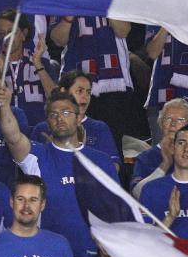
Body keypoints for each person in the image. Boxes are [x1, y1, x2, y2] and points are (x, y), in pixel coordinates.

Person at [0, 86, 118, 257]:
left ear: (78, 119)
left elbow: (114, 209)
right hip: (48, 254)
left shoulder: (102, 161)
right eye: (53, 115)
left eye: (66, 112)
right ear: (47, 122)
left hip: (93, 254)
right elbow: (13, 136)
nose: (59, 118)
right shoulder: (37, 156)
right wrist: (4, 106)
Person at [49, 14, 136, 155]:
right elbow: (58, 40)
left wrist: (102, 1)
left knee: (111, 145)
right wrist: (70, 14)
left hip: (113, 83)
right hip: (75, 83)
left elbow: (123, 31)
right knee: (71, 139)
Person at [0, 11, 57, 127]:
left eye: (11, 32)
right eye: (1, 34)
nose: (6, 38)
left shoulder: (41, 63)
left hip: (38, 132)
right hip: (5, 133)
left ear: (23, 34)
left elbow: (56, 98)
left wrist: (37, 64)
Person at [132, 98, 188, 196]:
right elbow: (137, 194)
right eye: (168, 119)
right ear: (160, 123)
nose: (173, 124)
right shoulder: (145, 157)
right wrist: (165, 165)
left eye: (180, 120)